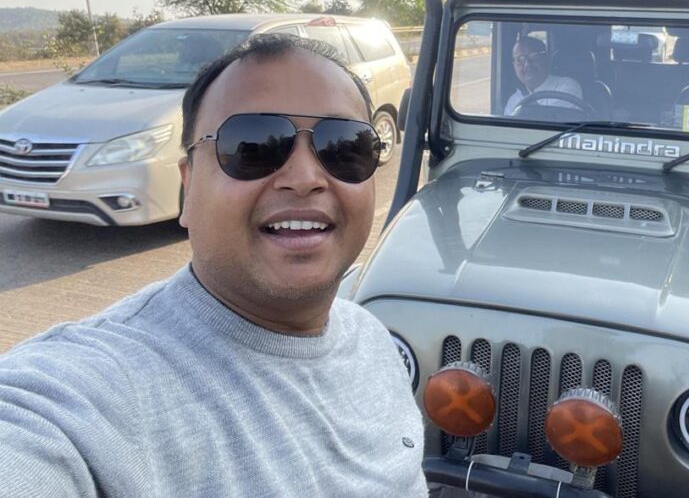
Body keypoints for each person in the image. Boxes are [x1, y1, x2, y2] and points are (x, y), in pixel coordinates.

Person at [0, 34, 428, 497]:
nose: (306, 178)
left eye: (345, 146)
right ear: (188, 189)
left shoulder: (371, 339)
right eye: (252, 147)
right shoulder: (90, 392)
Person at [503, 36, 583, 115]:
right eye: (519, 59)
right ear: (514, 66)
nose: (527, 64)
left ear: (546, 59)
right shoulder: (513, 101)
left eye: (534, 56)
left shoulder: (567, 86)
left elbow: (552, 122)